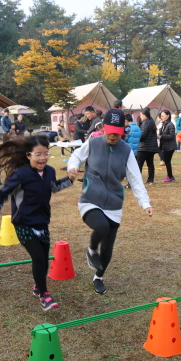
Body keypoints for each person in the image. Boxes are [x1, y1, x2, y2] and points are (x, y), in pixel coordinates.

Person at [0, 135, 76, 311]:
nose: (42, 158)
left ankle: (37, 285)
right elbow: (3, 194)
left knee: (43, 259)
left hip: (42, 222)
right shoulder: (21, 174)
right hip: (23, 223)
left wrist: (69, 180)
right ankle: (44, 295)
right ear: (28, 155)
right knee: (38, 258)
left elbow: (53, 187)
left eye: (45, 153)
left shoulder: (49, 171)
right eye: (38, 154)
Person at [68, 109, 153, 294]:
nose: (113, 135)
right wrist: (73, 166)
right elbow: (76, 156)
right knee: (101, 227)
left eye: (118, 131)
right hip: (91, 198)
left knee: (108, 246)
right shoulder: (93, 142)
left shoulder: (126, 150)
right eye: (110, 131)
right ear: (104, 128)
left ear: (123, 130)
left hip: (113, 202)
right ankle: (91, 249)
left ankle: (98, 276)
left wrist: (145, 203)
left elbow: (135, 178)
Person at [137, 107, 158, 185]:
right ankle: (150, 179)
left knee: (139, 163)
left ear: (145, 115)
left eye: (141, 115)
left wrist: (137, 139)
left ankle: (138, 180)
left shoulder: (145, 123)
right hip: (151, 147)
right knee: (150, 163)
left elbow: (143, 135)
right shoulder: (151, 122)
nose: (140, 117)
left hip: (144, 147)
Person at [158, 110, 176, 182]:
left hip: (169, 146)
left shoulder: (170, 125)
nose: (162, 117)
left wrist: (161, 136)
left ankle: (169, 176)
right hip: (165, 146)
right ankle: (170, 176)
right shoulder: (164, 124)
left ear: (168, 115)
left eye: (163, 116)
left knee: (167, 161)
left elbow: (171, 136)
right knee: (167, 161)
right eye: (161, 116)